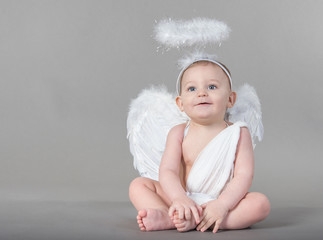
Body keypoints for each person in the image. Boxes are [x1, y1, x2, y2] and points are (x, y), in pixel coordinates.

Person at [129, 60, 270, 233]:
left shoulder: (239, 133)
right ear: (180, 103)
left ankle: (205, 219)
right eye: (192, 89)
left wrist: (222, 204)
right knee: (139, 186)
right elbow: (168, 171)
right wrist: (179, 198)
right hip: (183, 197)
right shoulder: (178, 133)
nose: (201, 93)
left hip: (218, 200)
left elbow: (244, 176)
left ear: (230, 99)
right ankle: (171, 215)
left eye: (212, 87)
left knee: (260, 204)